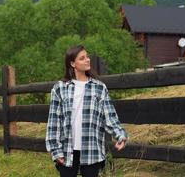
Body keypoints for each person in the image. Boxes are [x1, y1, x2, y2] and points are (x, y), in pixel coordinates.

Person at [45, 45, 128, 177]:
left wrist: (120, 135)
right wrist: (55, 149)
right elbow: (54, 121)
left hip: (91, 150)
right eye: (82, 58)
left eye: (87, 57)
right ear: (72, 63)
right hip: (66, 150)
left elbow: (109, 116)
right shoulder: (60, 88)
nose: (87, 60)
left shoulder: (99, 88)